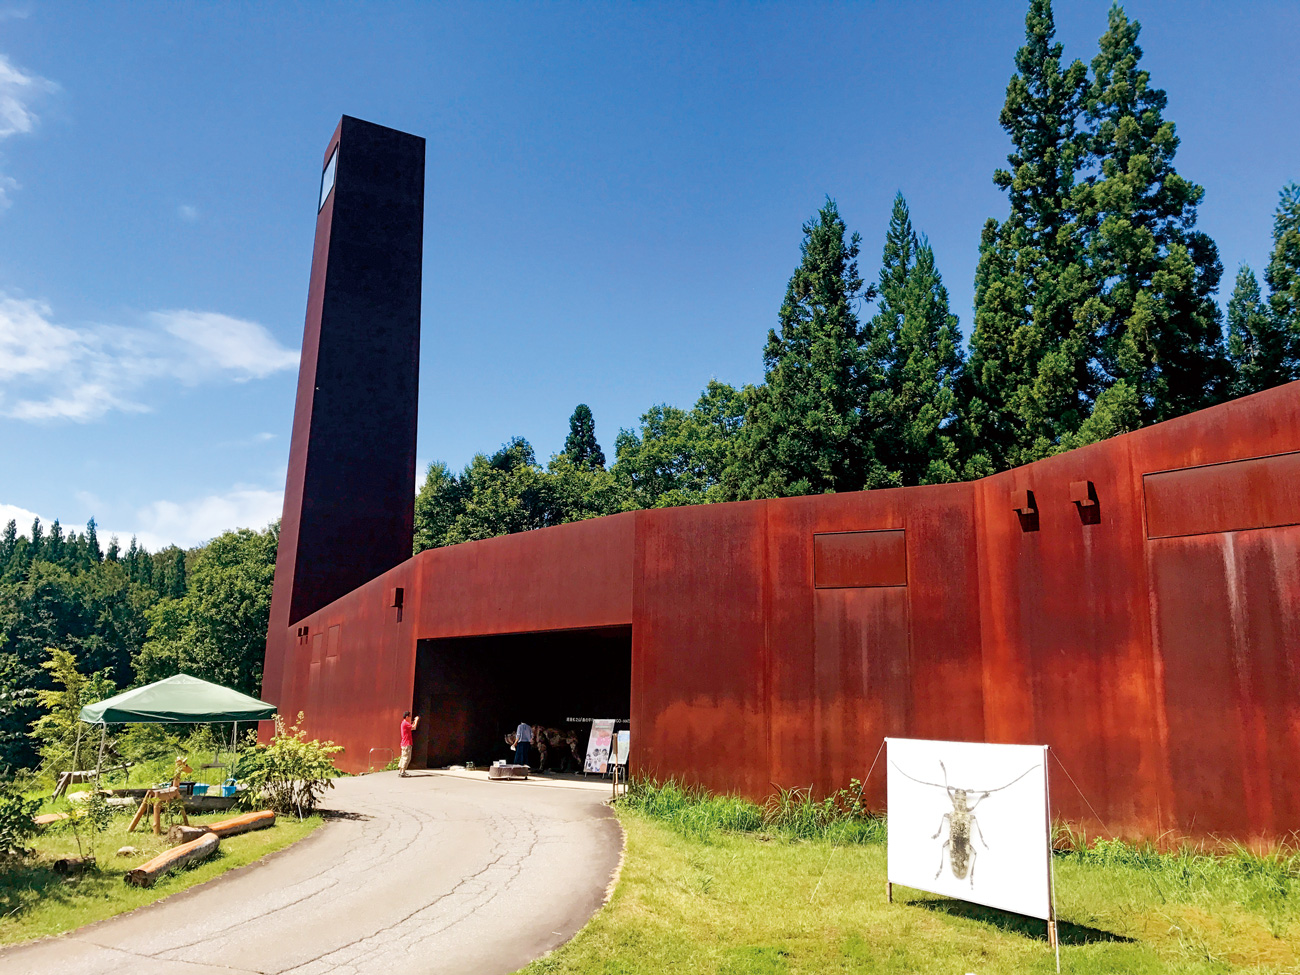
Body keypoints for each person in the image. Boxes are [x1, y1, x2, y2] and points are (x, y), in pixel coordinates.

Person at [399, 711, 419, 777]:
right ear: (407, 717)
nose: (410, 718)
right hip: (407, 743)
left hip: (404, 743)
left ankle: (401, 771)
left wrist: (413, 723)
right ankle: (403, 772)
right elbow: (414, 727)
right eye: (410, 716)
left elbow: (411, 727)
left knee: (403, 757)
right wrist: (416, 720)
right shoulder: (405, 723)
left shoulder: (403, 723)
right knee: (406, 758)